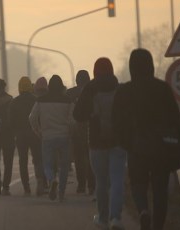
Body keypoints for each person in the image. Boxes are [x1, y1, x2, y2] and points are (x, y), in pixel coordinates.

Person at [112, 49, 180, 230]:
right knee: (160, 188)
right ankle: (158, 226)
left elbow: (116, 121)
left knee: (138, 182)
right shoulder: (162, 88)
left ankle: (143, 210)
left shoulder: (124, 91)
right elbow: (176, 118)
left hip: (137, 146)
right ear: (151, 65)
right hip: (162, 147)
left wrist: (125, 142)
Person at [73, 57, 126, 230]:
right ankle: (116, 218)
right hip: (118, 141)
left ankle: (103, 218)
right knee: (117, 179)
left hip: (96, 142)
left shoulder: (90, 88)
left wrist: (91, 115)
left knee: (101, 182)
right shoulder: (119, 88)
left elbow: (77, 114)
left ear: (95, 71)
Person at [29, 75, 74, 202]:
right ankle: (61, 193)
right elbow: (72, 120)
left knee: (47, 164)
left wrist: (37, 130)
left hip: (47, 136)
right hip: (64, 136)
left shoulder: (41, 100)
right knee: (64, 166)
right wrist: (70, 132)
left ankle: (51, 179)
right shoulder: (68, 100)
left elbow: (32, 117)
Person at [9, 76, 45, 196]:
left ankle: (26, 187)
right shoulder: (36, 100)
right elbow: (40, 118)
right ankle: (40, 181)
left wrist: (14, 133)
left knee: (23, 160)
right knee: (38, 158)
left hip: (20, 135)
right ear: (30, 87)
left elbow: (11, 121)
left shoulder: (14, 102)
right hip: (34, 133)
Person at [66, 70, 95, 195]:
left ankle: (81, 185)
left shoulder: (70, 93)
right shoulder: (92, 91)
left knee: (78, 158)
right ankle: (91, 185)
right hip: (90, 128)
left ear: (77, 80)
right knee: (90, 158)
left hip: (75, 129)